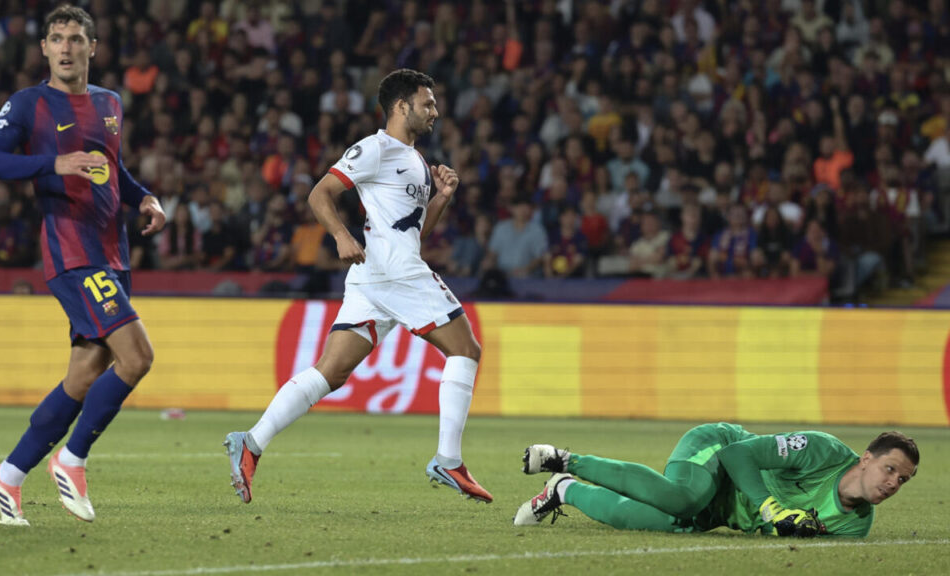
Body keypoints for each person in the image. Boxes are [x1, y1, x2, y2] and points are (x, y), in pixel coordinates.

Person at [224, 69, 491, 504]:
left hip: (377, 275)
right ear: (402, 106)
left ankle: (250, 443)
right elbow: (319, 194)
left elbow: (414, 236)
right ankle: (448, 459)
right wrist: (341, 234)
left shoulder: (418, 163)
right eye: (428, 103)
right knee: (466, 351)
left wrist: (440, 198)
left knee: (332, 371)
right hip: (395, 272)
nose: (435, 112)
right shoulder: (375, 148)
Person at [0, 6, 165, 526]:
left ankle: (9, 476)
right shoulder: (29, 104)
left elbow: (112, 168)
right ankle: (72, 458)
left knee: (84, 374)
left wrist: (144, 198)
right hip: (71, 254)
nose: (65, 47)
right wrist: (51, 163)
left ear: (92, 47)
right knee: (138, 357)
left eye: (75, 39)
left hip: (113, 254)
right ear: (43, 49)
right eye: (56, 39)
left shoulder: (110, 102)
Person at [514, 423, 918, 538]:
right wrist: (772, 507)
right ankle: (565, 458)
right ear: (866, 459)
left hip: (729, 509)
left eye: (903, 480)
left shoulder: (856, 526)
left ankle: (562, 488)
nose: (894, 483)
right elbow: (737, 454)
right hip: (719, 452)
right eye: (890, 469)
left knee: (653, 523)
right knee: (684, 499)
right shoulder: (822, 451)